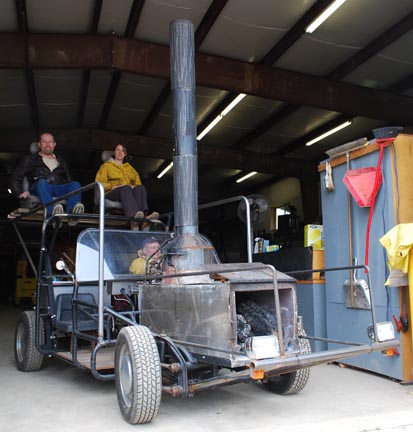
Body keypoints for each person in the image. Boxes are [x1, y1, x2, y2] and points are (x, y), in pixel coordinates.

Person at [10, 132, 84, 222]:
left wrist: (72, 194)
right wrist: (19, 193)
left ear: (54, 145)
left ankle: (72, 214)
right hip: (39, 187)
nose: (47, 144)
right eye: (44, 142)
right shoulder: (30, 159)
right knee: (42, 182)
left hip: (57, 188)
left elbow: (69, 180)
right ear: (39, 144)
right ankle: (51, 213)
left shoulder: (61, 161)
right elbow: (15, 177)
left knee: (75, 184)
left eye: (50, 142)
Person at [95, 143, 159, 230]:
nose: (120, 152)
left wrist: (133, 186)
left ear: (125, 154)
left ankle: (143, 220)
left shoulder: (130, 168)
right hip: (112, 192)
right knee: (125, 188)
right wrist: (112, 186)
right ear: (114, 152)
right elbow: (99, 182)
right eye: (118, 150)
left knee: (141, 188)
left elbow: (138, 183)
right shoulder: (106, 166)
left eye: (123, 151)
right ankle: (134, 220)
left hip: (127, 191)